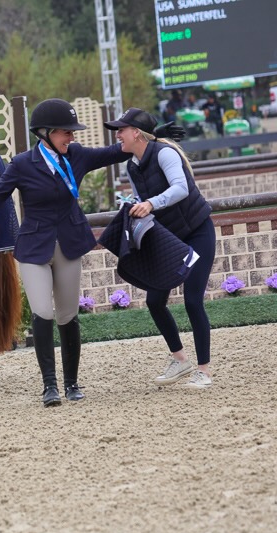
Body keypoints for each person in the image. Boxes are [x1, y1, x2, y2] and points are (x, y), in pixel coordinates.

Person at [0, 98, 132, 407]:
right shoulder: (22, 164)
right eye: (66, 132)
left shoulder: (77, 156)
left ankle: (71, 383)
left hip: (68, 244)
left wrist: (150, 134)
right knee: (43, 312)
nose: (72, 137)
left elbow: (117, 151)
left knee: (68, 315)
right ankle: (49, 386)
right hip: (34, 248)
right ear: (46, 133)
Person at [104, 107, 216, 389]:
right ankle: (180, 360)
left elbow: (180, 188)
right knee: (154, 301)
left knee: (192, 301)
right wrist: (133, 205)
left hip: (198, 232)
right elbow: (142, 198)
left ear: (136, 133)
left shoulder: (165, 153)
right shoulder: (131, 166)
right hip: (170, 239)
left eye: (121, 130)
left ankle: (204, 371)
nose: (117, 135)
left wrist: (151, 203)